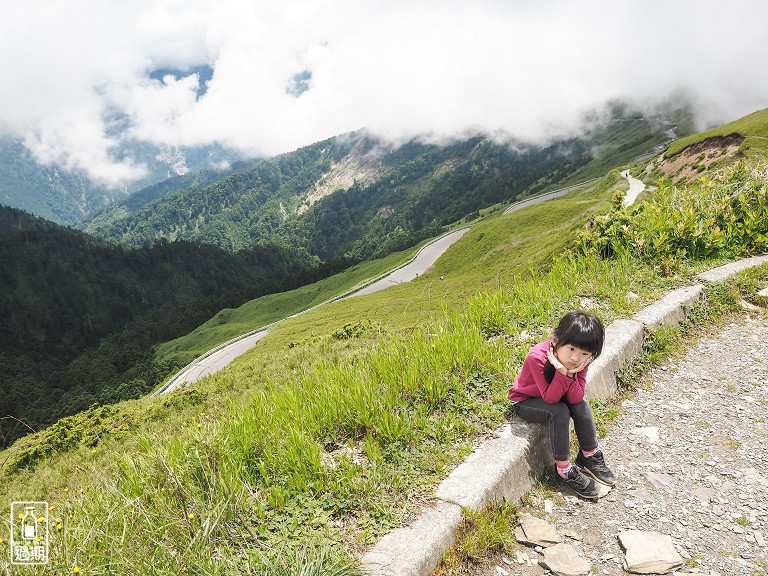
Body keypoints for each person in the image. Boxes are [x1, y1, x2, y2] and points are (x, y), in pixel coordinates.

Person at [508, 310, 615, 499]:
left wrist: (569, 373)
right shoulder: (537, 357)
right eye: (571, 349)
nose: (575, 358)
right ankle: (564, 471)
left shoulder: (581, 362)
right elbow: (550, 399)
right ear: (556, 340)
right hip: (526, 400)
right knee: (559, 411)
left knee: (580, 406)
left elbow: (575, 397)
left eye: (584, 353)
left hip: (557, 393)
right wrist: (561, 372)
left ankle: (589, 455)